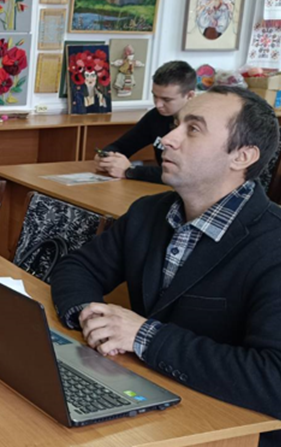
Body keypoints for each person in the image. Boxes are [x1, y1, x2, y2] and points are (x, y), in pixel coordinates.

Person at [52, 86, 281, 446]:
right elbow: (78, 267)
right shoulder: (148, 212)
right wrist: (91, 315)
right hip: (144, 399)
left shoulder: (274, 245)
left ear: (242, 156)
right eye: (176, 125)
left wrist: (145, 336)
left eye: (193, 129)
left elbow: (273, 380)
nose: (166, 140)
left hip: (225, 433)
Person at [95, 60, 197, 183]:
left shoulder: (201, 127)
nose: (158, 104)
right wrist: (106, 157)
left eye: (166, 100)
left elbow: (186, 174)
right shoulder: (156, 116)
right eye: (155, 96)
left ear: (190, 96)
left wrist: (130, 171)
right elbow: (122, 145)